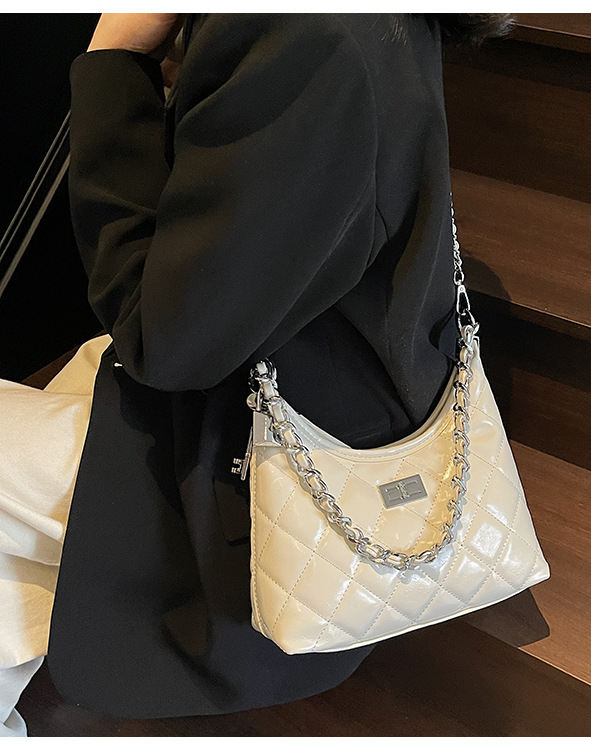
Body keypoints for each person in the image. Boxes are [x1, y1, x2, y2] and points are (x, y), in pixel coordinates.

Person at [1, 12, 512, 735]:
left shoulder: (307, 37)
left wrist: (115, 58)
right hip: (330, 391)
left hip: (285, 482)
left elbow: (159, 340)